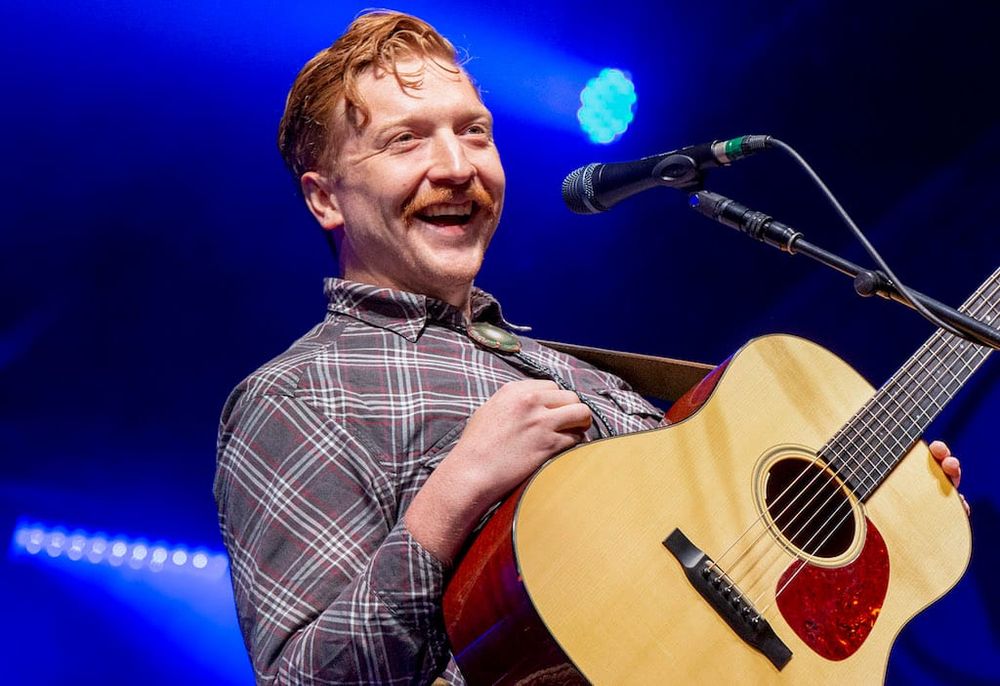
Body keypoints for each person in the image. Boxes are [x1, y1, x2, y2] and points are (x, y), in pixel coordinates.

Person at [214, 10, 965, 685]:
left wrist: (877, 524)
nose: (458, 166)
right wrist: (452, 495)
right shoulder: (301, 393)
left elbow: (711, 593)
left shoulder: (578, 374)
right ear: (324, 197)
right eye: (405, 140)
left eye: (474, 131)